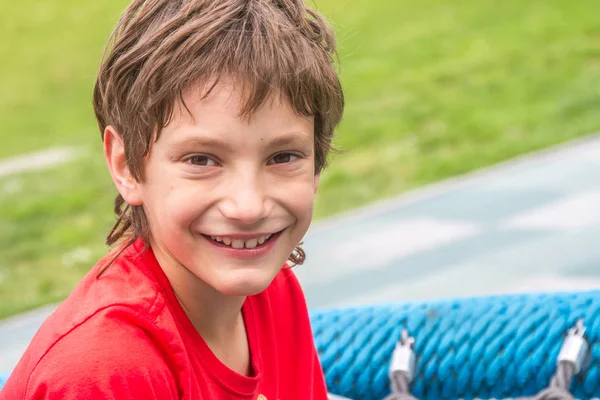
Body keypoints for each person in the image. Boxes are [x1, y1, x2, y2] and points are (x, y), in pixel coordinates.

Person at [0, 0, 344, 398]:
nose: (249, 207)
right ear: (127, 166)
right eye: (202, 160)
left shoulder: (273, 291)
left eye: (283, 157)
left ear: (317, 161)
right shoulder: (106, 370)